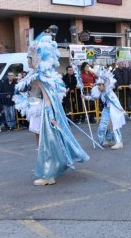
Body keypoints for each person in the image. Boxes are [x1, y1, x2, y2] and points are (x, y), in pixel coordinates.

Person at [13, 33, 89, 186]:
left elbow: (48, 97)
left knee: (47, 143)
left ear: (35, 59)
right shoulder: (37, 74)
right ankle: (48, 169)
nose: (27, 61)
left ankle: (48, 175)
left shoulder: (40, 76)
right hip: (39, 110)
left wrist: (51, 115)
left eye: (29, 58)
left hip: (44, 112)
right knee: (44, 141)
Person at [84, 67, 126, 149]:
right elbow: (94, 98)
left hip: (113, 110)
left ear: (104, 85)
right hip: (106, 110)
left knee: (114, 126)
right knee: (103, 126)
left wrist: (121, 109)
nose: (98, 87)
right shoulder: (101, 92)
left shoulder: (108, 92)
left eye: (100, 85)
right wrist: (85, 97)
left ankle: (119, 142)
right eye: (98, 85)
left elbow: (115, 101)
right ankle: (109, 140)